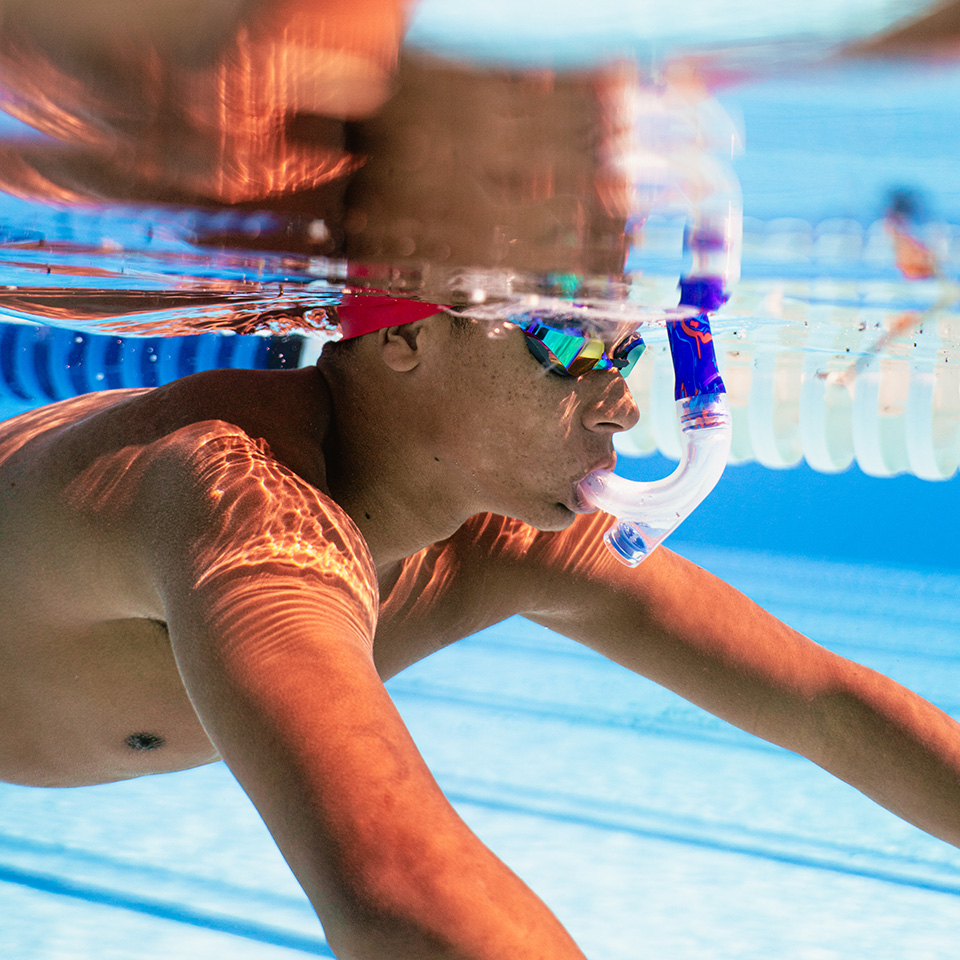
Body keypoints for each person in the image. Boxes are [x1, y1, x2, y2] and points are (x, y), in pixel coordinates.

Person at [2, 294, 960, 960]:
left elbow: (828, 707)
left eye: (627, 353)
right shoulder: (238, 502)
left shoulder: (501, 532)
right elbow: (402, 901)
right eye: (574, 345)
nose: (624, 403)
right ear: (406, 333)